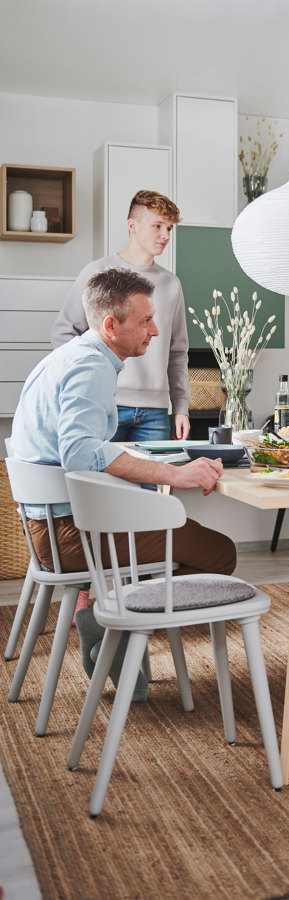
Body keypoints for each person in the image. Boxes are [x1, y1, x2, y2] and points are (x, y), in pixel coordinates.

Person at [12, 268, 236, 698]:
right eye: (145, 321)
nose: (155, 330)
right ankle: (107, 619)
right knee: (220, 553)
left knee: (179, 544)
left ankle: (114, 618)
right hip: (69, 536)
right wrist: (174, 474)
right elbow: (79, 452)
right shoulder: (92, 366)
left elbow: (80, 447)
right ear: (110, 325)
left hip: (50, 530)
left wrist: (142, 462)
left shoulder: (69, 357)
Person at [51, 189, 190, 443]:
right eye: (157, 226)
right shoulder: (98, 273)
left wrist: (181, 407)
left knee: (154, 482)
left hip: (156, 413)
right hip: (104, 404)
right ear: (132, 225)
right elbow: (64, 333)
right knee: (101, 481)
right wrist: (85, 386)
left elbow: (177, 351)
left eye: (169, 229)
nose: (165, 235)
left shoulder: (171, 284)